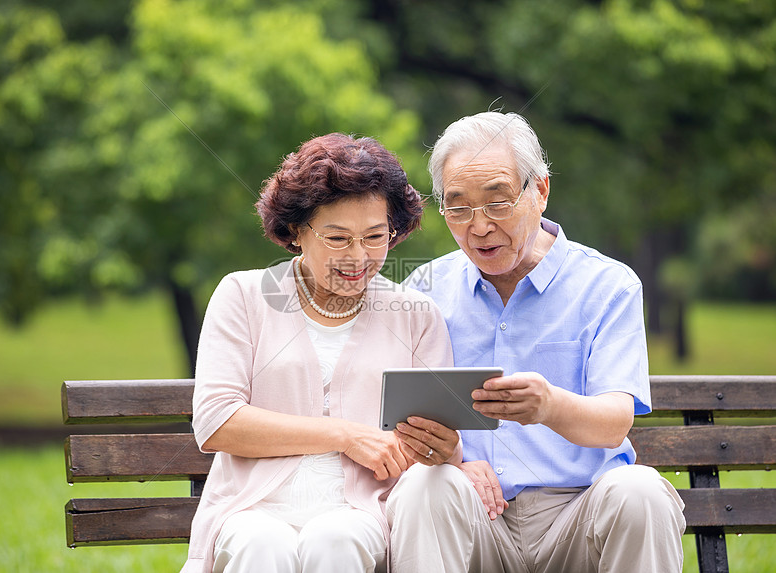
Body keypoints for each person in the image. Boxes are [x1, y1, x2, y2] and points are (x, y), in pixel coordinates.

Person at [386, 112, 686, 573]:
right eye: (458, 207)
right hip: (476, 515)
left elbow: (613, 423)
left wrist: (549, 405)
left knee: (640, 492)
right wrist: (455, 460)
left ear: (540, 191)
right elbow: (400, 419)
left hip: (577, 514)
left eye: (497, 201)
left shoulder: (607, 286)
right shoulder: (425, 289)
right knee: (425, 487)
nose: (479, 226)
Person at [180, 133, 457, 573]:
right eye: (337, 238)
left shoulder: (415, 315)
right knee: (260, 545)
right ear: (295, 231)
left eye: (374, 236)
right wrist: (345, 435)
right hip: (253, 506)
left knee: (336, 541)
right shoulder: (244, 295)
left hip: (360, 512)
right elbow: (216, 423)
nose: (358, 256)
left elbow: (433, 441)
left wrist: (442, 446)